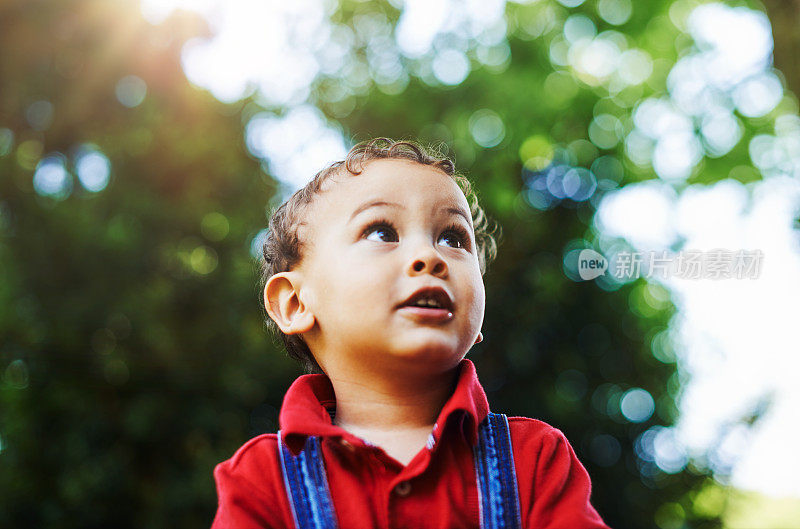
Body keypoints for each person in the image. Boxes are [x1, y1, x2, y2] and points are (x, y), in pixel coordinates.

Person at [211, 138, 611, 529]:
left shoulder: (534, 460)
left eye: (452, 238)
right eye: (382, 232)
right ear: (295, 303)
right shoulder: (262, 481)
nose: (430, 257)